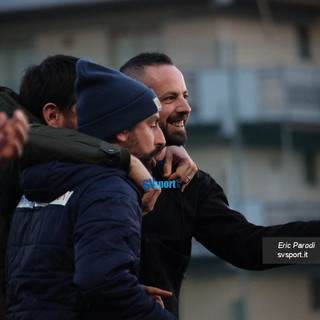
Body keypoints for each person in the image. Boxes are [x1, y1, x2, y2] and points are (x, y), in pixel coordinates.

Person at [119, 52, 320, 317]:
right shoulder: (88, 169)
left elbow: (250, 249)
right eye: (169, 98)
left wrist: (315, 245)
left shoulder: (188, 183)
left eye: (185, 96)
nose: (185, 108)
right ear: (131, 106)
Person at [5, 59, 178, 319]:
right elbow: (102, 282)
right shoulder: (108, 187)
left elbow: (48, 281)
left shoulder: (33, 184)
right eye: (152, 124)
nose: (162, 139)